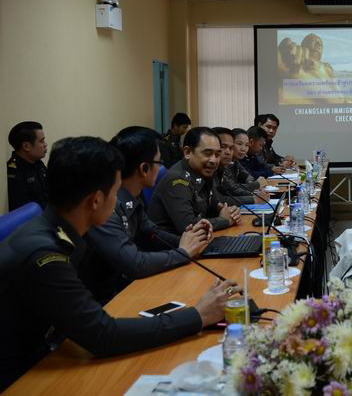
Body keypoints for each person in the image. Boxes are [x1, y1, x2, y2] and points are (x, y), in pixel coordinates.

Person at [0, 136, 240, 391]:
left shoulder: (54, 228)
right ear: (95, 200)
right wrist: (199, 315)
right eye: (115, 193)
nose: (119, 201)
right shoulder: (46, 255)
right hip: (23, 374)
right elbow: (102, 335)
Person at [80, 127, 213, 304]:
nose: (162, 168)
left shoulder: (134, 195)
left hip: (126, 288)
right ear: (144, 168)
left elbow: (151, 233)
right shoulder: (106, 206)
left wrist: (192, 240)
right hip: (104, 301)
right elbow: (135, 264)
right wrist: (183, 252)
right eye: (159, 162)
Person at [148, 127, 241, 234]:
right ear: (187, 152)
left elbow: (215, 205)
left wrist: (231, 212)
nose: (214, 160)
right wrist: (225, 220)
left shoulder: (204, 173)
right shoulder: (178, 180)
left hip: (200, 240)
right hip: (173, 242)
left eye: (217, 154)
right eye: (207, 153)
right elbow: (188, 225)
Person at [212, 127, 270, 206]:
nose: (243, 149)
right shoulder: (216, 167)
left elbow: (248, 176)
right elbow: (230, 190)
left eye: (231, 148)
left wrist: (255, 191)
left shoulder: (233, 162)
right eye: (223, 146)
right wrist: (254, 194)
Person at [6, 121, 48, 211]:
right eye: (41, 141)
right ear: (26, 146)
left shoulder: (38, 163)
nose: (45, 144)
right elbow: (24, 211)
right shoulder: (13, 172)